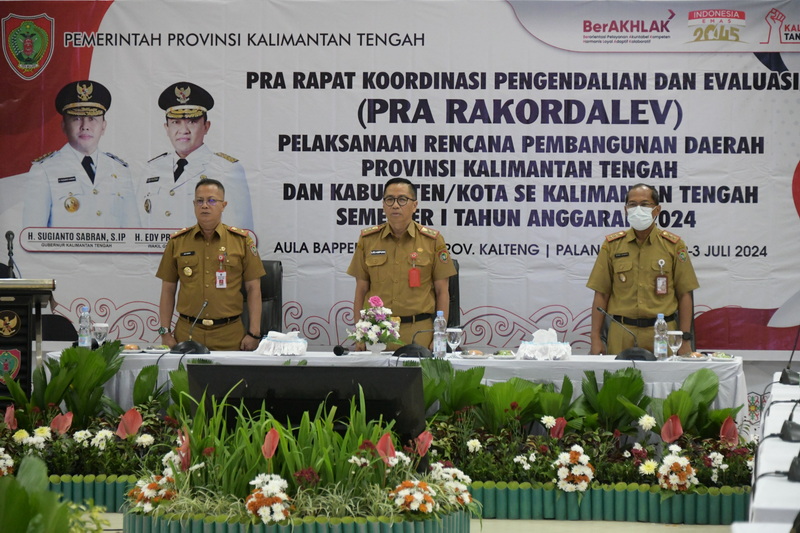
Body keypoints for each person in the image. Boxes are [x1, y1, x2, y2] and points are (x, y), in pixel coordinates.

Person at [587, 183, 699, 356]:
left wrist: (685, 340)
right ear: (625, 210)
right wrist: (595, 338)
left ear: (657, 210)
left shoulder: (674, 246)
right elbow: (601, 294)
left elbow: (685, 294)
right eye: (632, 204)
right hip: (621, 333)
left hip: (663, 332)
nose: (638, 209)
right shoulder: (612, 246)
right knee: (619, 382)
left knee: (664, 383)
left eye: (645, 204)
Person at [156, 178, 265, 351]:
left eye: (212, 200)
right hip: (187, 333)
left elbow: (254, 288)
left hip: (229, 335)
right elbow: (168, 290)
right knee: (183, 379)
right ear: (194, 204)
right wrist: (165, 332)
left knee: (229, 379)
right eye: (200, 201)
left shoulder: (241, 241)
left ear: (224, 205)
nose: (205, 205)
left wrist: (254, 333)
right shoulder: (178, 242)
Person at [347, 177, 457, 349]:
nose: (395, 205)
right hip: (377, 333)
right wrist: (359, 333)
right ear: (383, 205)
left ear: (414, 205)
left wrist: (439, 336)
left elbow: (442, 291)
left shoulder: (432, 241)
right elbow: (361, 290)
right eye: (389, 199)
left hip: (419, 333)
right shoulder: (368, 240)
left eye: (402, 199)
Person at [23, 80, 140, 228]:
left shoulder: (120, 170)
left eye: (92, 119)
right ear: (64, 126)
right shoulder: (44, 170)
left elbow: (133, 232)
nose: (85, 127)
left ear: (103, 126)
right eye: (77, 118)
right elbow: (33, 237)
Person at [142, 81, 254, 231]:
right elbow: (138, 226)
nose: (183, 130)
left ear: (206, 126)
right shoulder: (152, 168)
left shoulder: (226, 169)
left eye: (192, 122)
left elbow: (239, 234)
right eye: (176, 122)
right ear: (166, 128)